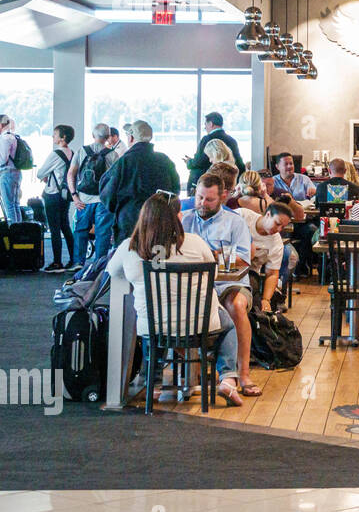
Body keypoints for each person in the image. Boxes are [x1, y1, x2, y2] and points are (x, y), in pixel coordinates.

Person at [106, 192, 243, 406]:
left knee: (157, 323)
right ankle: (228, 378)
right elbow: (213, 275)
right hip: (200, 325)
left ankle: (154, 384)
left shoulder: (130, 247)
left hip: (154, 327)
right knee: (228, 326)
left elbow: (113, 273)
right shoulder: (195, 243)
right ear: (176, 217)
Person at [180, 173, 261, 399]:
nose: (202, 204)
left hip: (229, 282)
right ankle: (191, 373)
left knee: (234, 304)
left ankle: (242, 374)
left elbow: (244, 260)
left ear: (223, 197)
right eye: (199, 198)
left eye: (209, 200)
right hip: (195, 284)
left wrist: (209, 254)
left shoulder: (235, 222)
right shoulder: (185, 219)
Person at [99, 120, 181, 246]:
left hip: (130, 222)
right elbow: (175, 190)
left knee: (130, 258)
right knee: (156, 260)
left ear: (131, 137)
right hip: (159, 221)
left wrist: (119, 208)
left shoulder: (124, 162)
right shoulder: (164, 160)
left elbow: (107, 193)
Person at [68, 123, 122, 269]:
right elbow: (116, 180)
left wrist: (74, 196)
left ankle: (78, 262)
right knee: (102, 233)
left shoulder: (82, 151)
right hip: (103, 200)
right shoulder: (113, 154)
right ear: (108, 137)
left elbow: (71, 174)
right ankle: (100, 264)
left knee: (80, 231)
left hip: (83, 199)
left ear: (93, 135)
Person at [236, 201, 295, 313]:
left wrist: (266, 300)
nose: (279, 230)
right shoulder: (242, 216)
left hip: (249, 274)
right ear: (268, 214)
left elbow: (272, 273)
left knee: (254, 305)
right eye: (277, 224)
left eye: (283, 227)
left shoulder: (276, 242)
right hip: (224, 268)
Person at [35, 124, 76, 272]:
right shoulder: (72, 153)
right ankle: (73, 259)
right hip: (65, 194)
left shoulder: (55, 154)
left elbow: (40, 173)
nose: (53, 136)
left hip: (53, 194)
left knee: (54, 229)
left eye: (55, 134)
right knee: (65, 226)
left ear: (62, 137)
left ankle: (57, 262)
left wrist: (45, 176)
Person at [184, 112, 245, 192]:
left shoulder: (207, 139)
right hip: (228, 184)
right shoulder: (232, 140)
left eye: (205, 124)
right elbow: (240, 164)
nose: (205, 127)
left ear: (211, 124)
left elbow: (199, 162)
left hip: (207, 185)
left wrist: (189, 162)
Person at [0, 114, 23, 223]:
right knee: (15, 205)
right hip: (16, 172)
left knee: (9, 206)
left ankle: (13, 232)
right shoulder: (14, 136)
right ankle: (19, 231)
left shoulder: (5, 138)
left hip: (7, 173)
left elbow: (2, 159)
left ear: (1, 124)